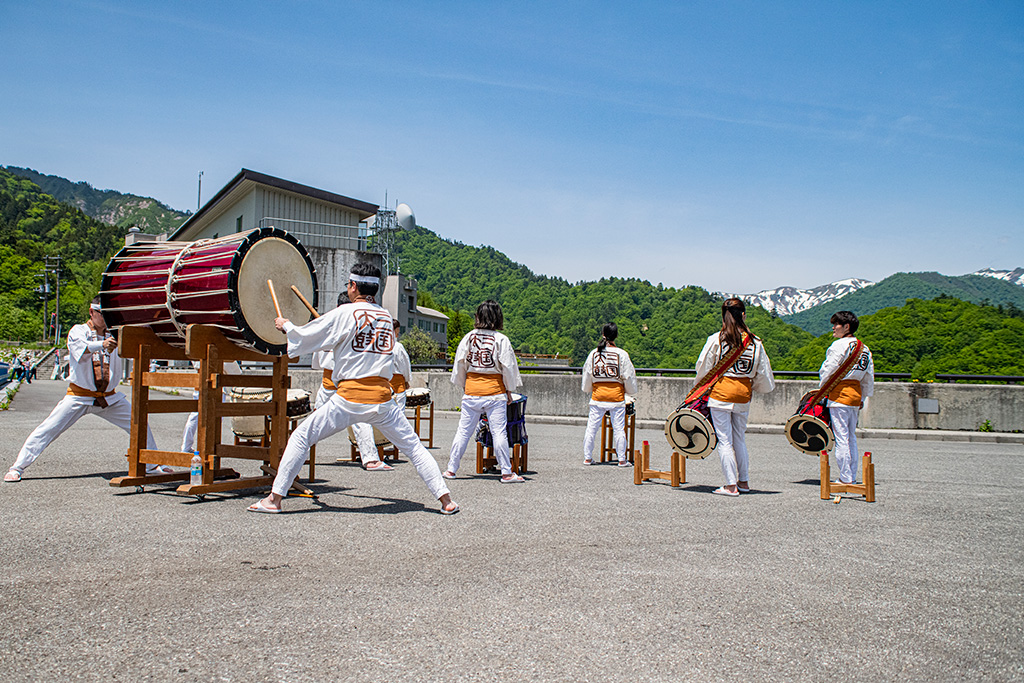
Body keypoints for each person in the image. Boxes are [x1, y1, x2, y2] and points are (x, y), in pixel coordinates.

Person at [246, 263, 458, 514]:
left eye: (348, 284)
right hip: (382, 398)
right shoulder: (386, 318)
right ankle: (446, 500)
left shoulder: (345, 313)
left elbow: (306, 337)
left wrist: (287, 326)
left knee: (301, 437)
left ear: (353, 286)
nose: (347, 288)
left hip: (348, 398)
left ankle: (274, 500)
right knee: (414, 448)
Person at [4, 298, 168, 483]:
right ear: (92, 312)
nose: (105, 318)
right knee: (48, 429)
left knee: (138, 423)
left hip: (109, 398)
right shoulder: (78, 331)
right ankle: (17, 467)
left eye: (108, 314)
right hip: (79, 396)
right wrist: (102, 344)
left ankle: (152, 466)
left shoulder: (115, 333)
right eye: (102, 314)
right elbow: (81, 349)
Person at [694, 298, 775, 497]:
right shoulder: (755, 343)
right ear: (743, 316)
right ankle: (744, 481)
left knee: (724, 440)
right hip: (743, 394)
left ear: (723, 316)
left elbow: (703, 367)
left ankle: (730, 485)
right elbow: (763, 372)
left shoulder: (717, 339)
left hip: (721, 393)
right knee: (739, 438)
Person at [443, 300, 524, 483]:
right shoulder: (501, 340)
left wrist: (466, 386)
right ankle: (506, 472)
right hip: (494, 392)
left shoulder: (468, 338)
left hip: (472, 390)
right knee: (499, 433)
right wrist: (509, 391)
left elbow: (460, 364)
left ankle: (451, 469)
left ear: (478, 316)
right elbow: (508, 368)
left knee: (463, 432)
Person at [316, 293, 391, 471]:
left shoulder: (341, 324)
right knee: (323, 419)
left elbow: (317, 360)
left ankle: (370, 458)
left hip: (346, 380)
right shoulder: (346, 324)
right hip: (338, 380)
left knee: (355, 419)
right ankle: (370, 458)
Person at [819, 311, 874, 485]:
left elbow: (828, 370)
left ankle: (845, 476)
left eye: (836, 324)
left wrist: (822, 390)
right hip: (855, 394)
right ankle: (852, 474)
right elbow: (868, 376)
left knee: (841, 437)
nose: (833, 328)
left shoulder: (839, 345)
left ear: (846, 327)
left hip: (840, 394)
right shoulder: (864, 349)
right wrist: (863, 397)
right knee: (851, 437)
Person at [581, 323, 638, 466]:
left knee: (592, 427)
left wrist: (588, 388)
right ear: (616, 336)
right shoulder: (622, 354)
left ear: (603, 334)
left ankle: (587, 457)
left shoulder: (594, 353)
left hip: (598, 395)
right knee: (619, 428)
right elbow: (629, 376)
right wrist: (629, 392)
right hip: (616, 396)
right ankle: (621, 459)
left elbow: (587, 374)